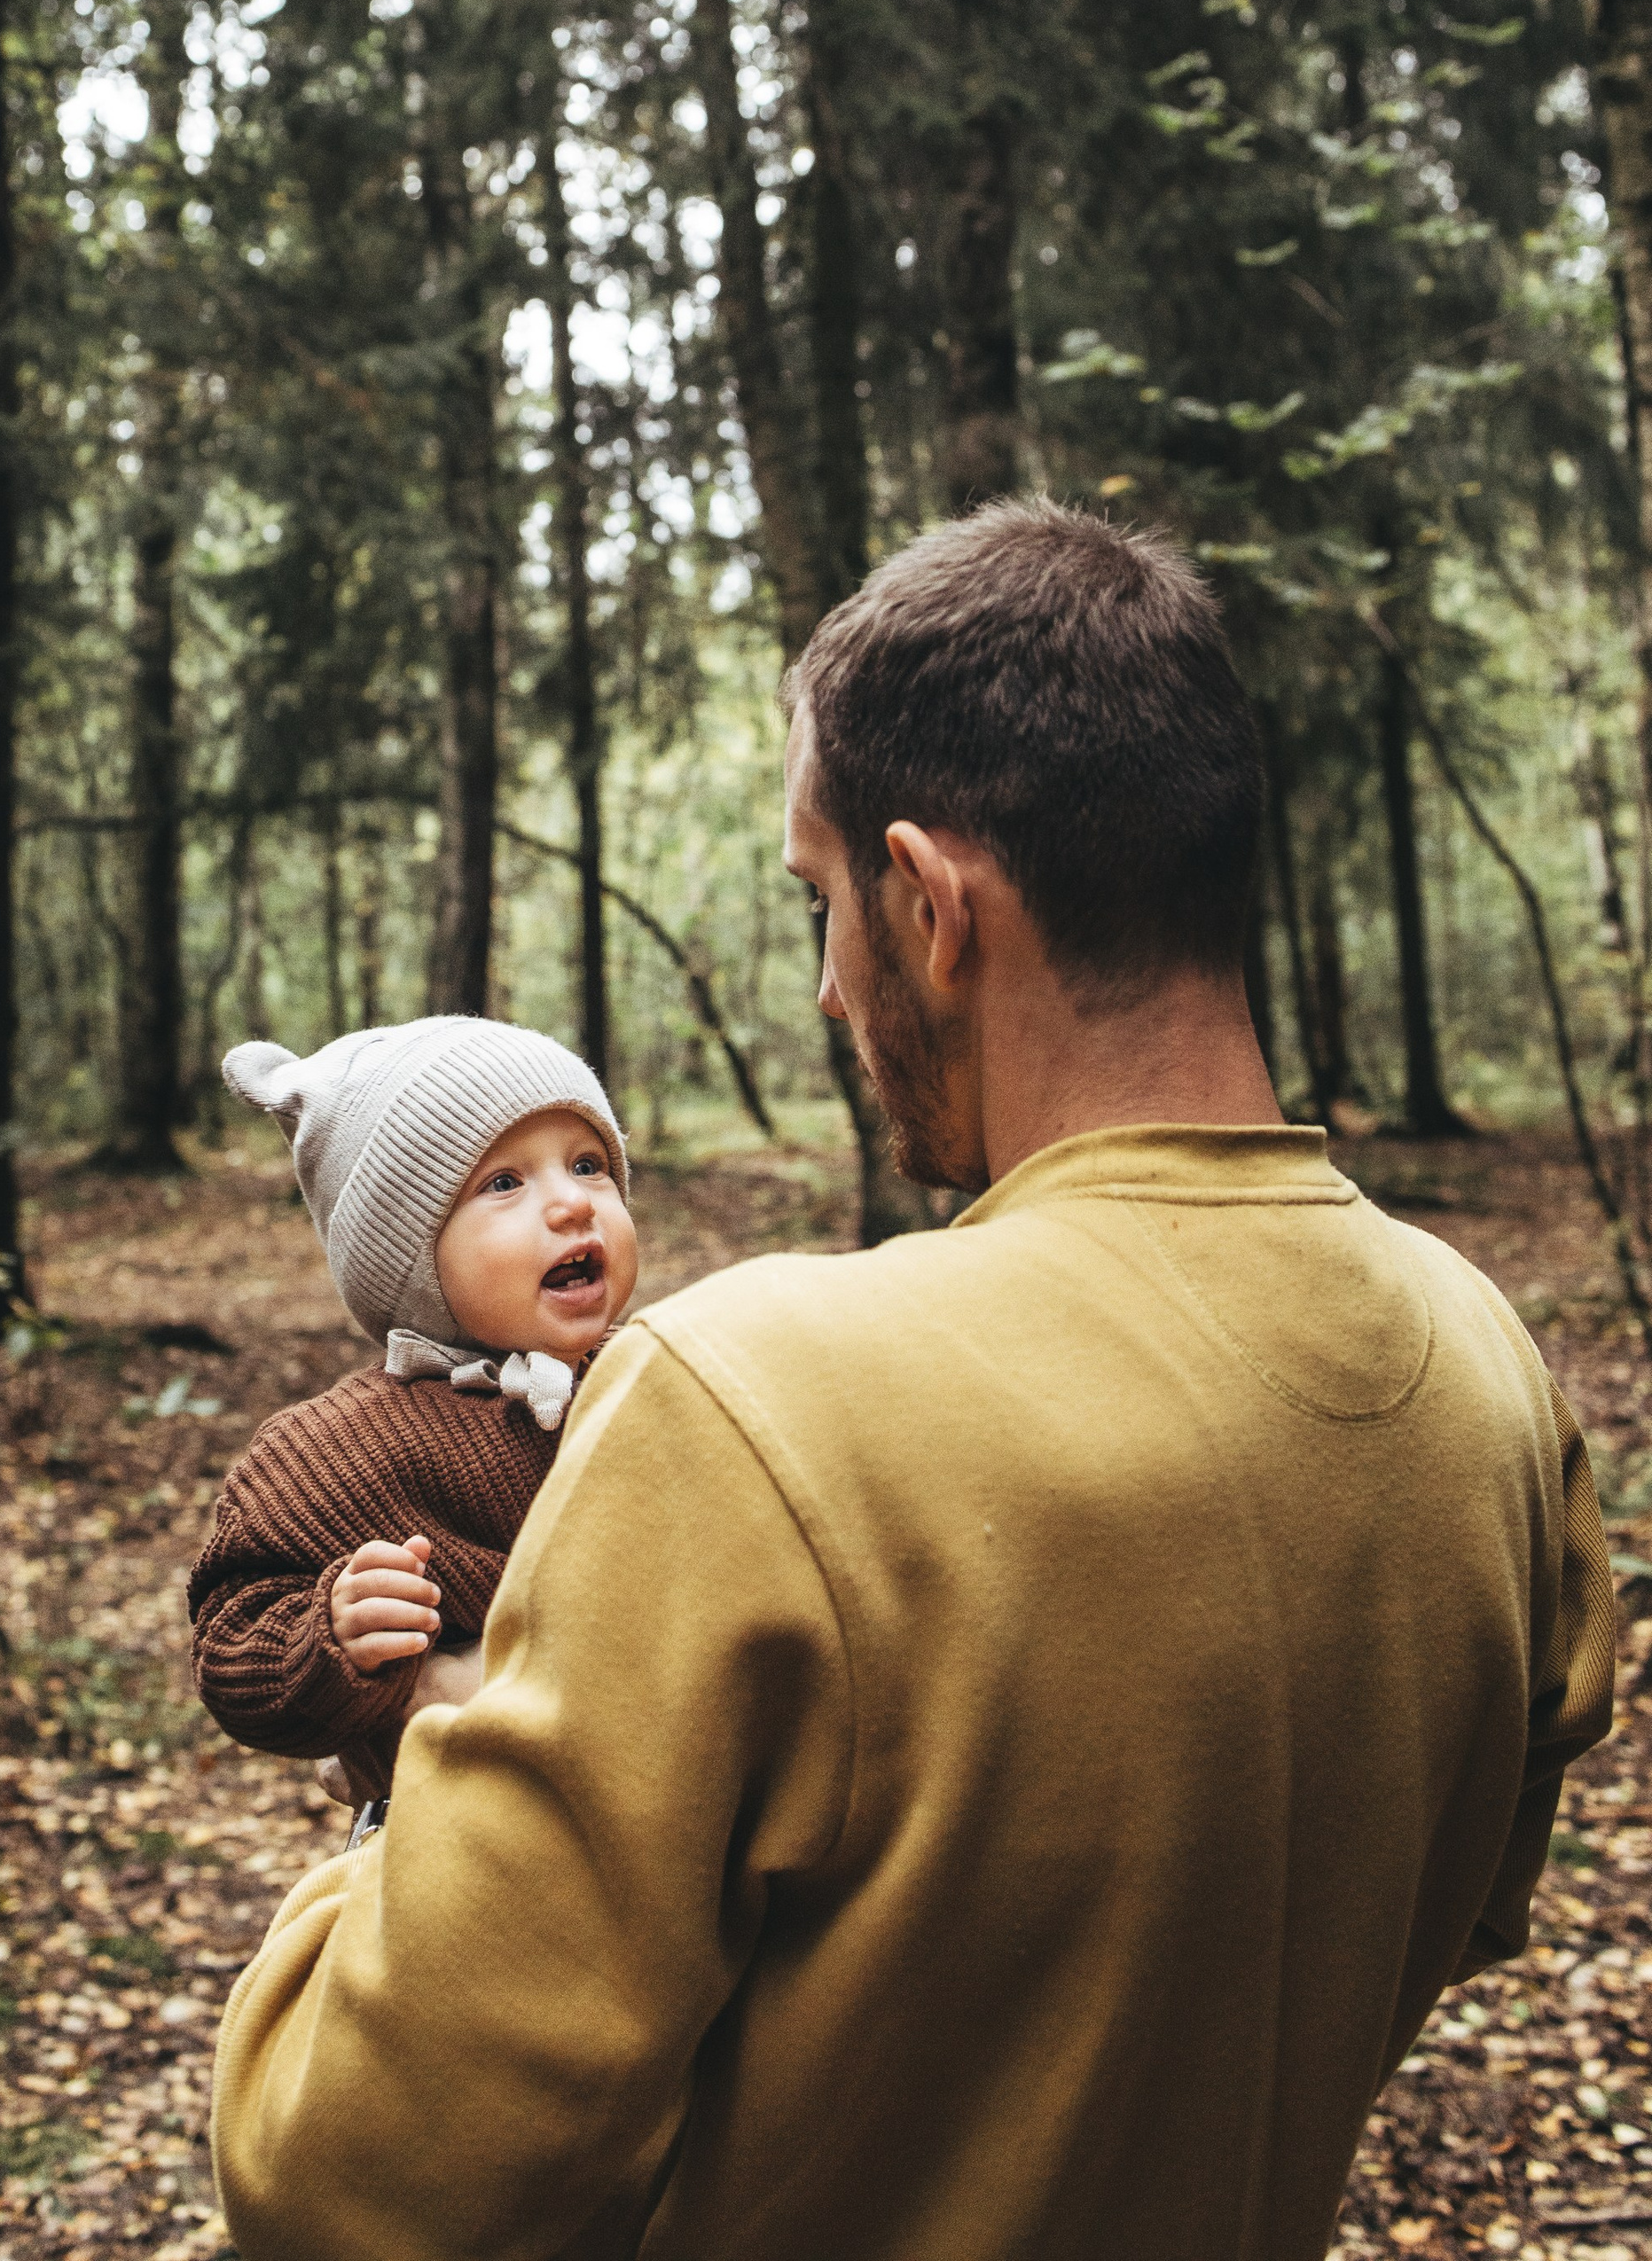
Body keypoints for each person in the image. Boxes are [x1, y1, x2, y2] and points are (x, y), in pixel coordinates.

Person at [210, 498, 1616, 2261]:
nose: (818, 984)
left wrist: (396, 1787)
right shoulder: (1492, 1383)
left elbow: (348, 2179)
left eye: (820, 903)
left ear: (931, 906)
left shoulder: (747, 1402)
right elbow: (1445, 1910)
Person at [189, 1015, 638, 1808]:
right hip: (479, 1852)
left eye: (589, 1164)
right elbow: (233, 1634)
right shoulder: (343, 1446)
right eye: (505, 1183)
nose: (572, 1203)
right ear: (406, 1254)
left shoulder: (655, 1373)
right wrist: (330, 1637)